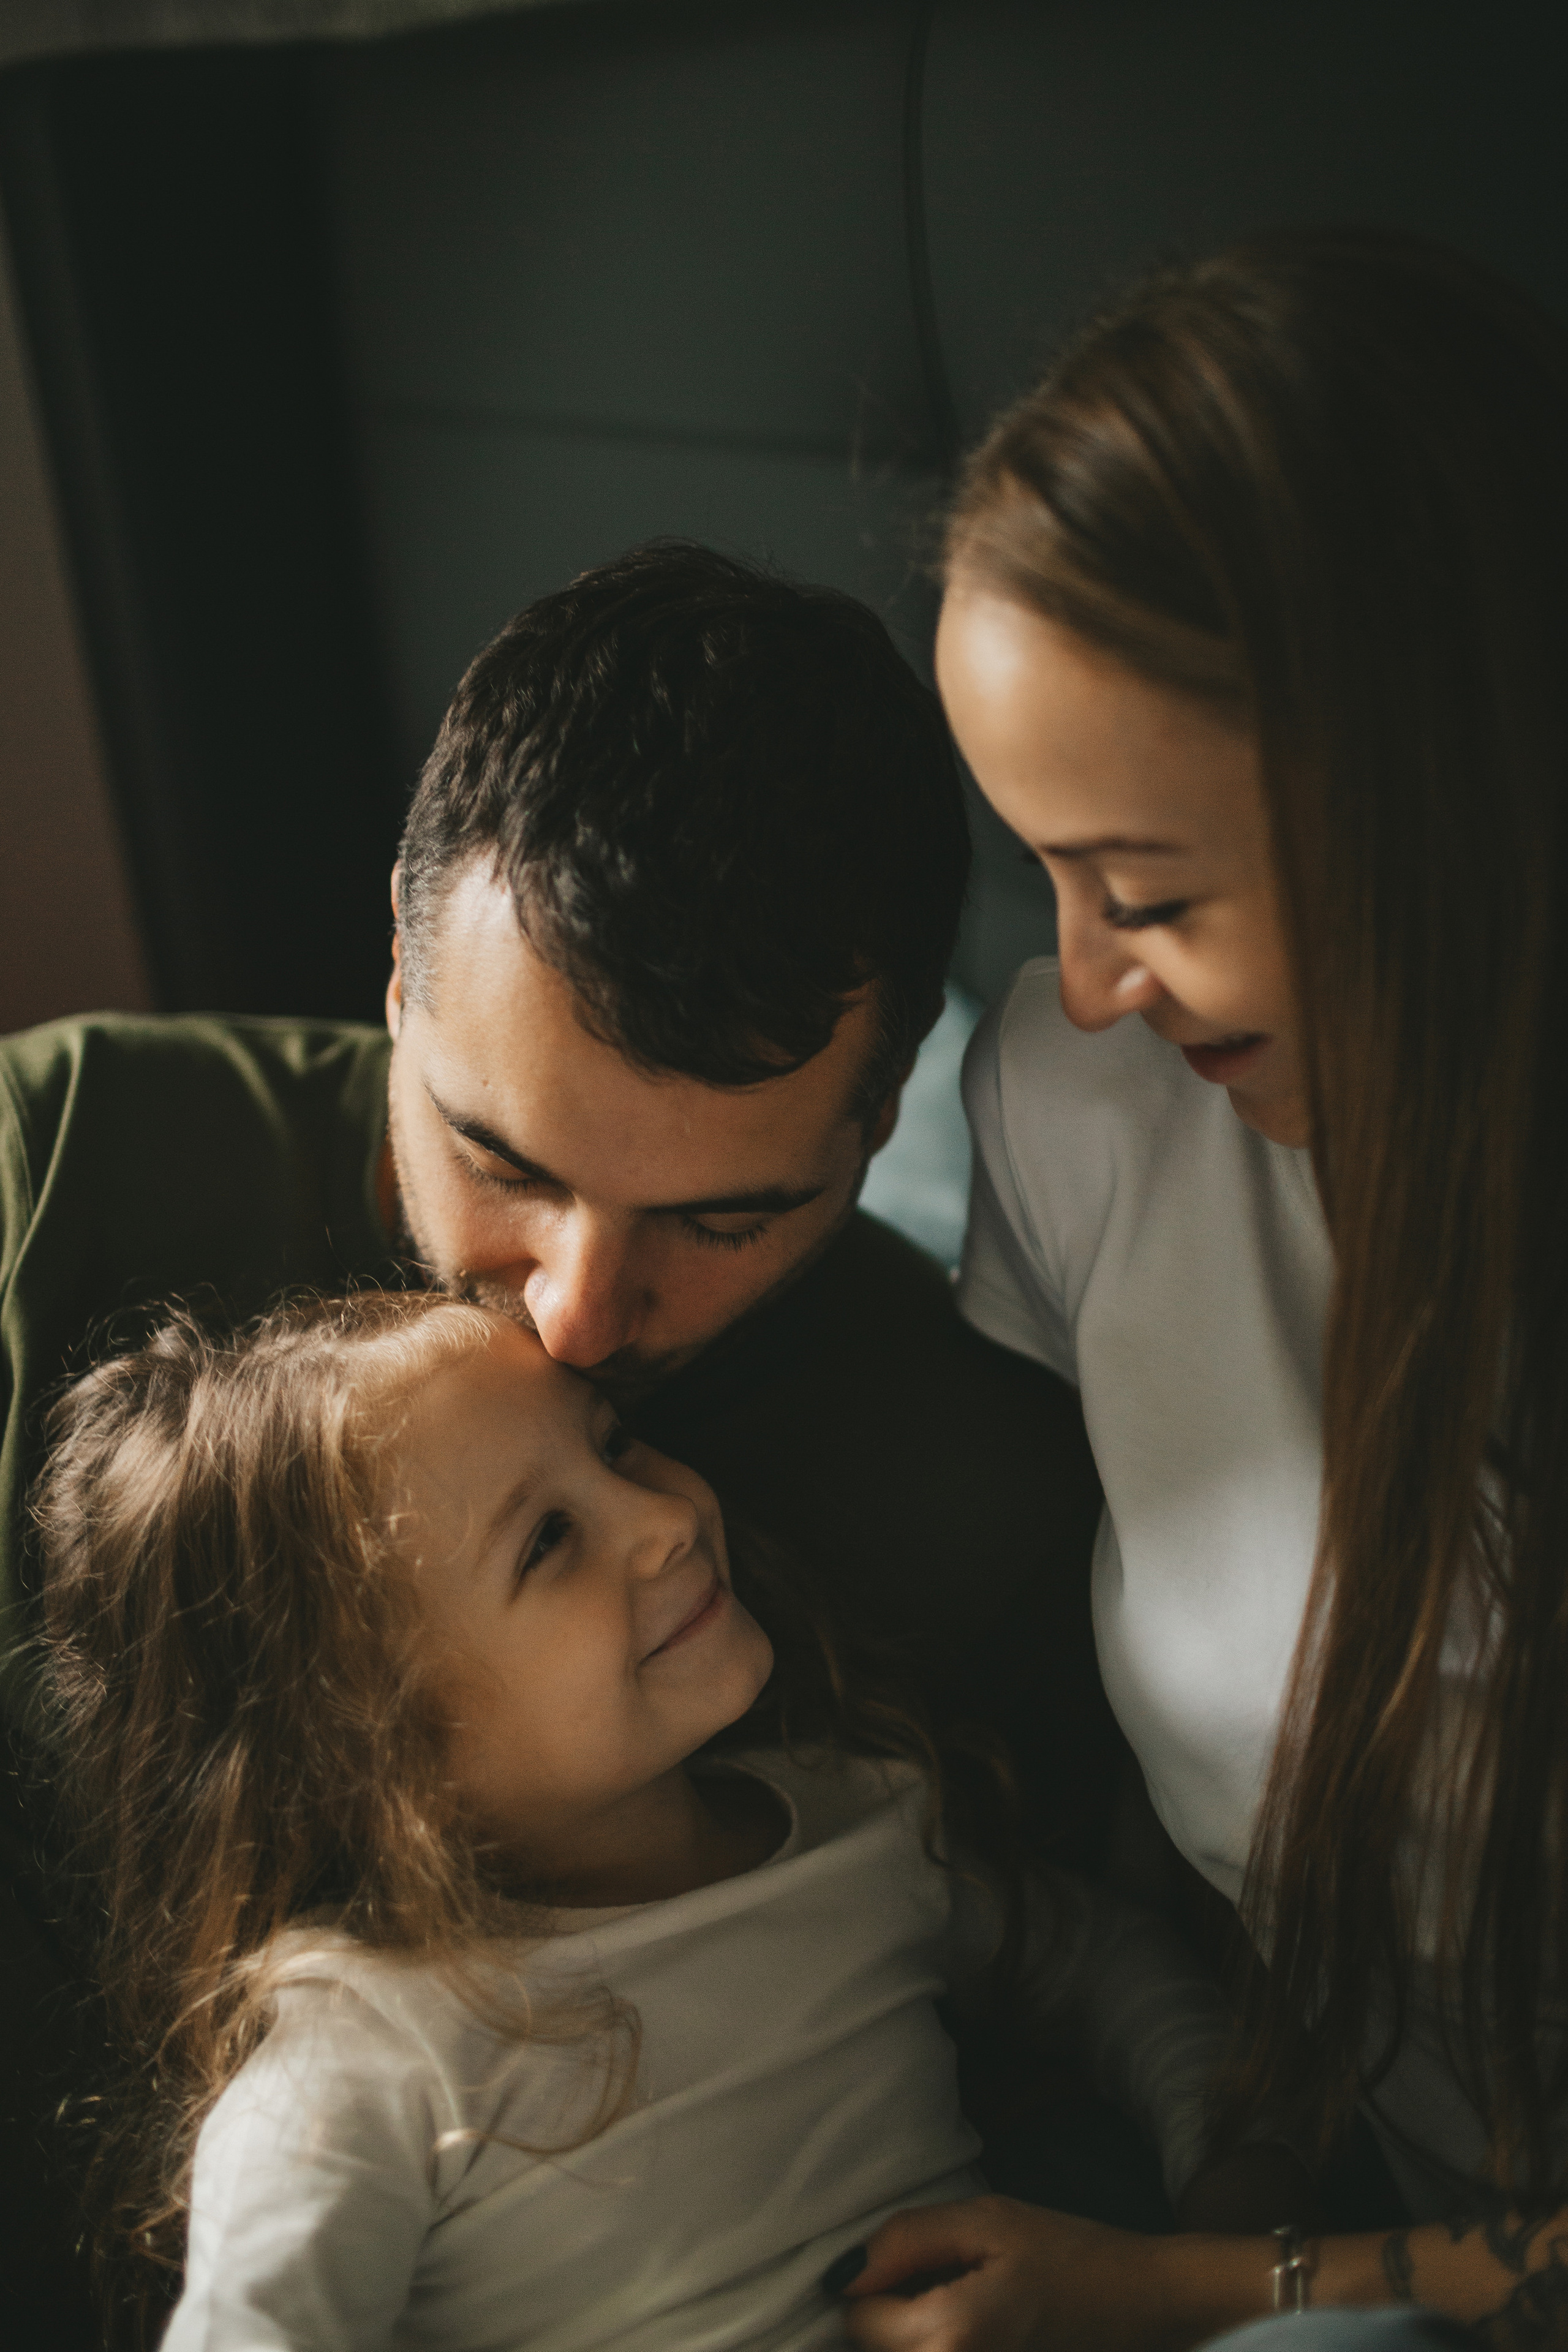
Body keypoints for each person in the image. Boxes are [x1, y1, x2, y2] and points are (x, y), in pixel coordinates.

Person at [0, 543, 1113, 2339]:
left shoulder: (961, 1488)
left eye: (723, 1217)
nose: (579, 1321)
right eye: (504, 1163)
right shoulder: (51, 1176)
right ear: (396, 969)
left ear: (879, 1115)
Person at [818, 230, 1568, 2348]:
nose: (1071, 983)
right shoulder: (1083, 1105)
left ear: (1437, 812)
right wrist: (1245, 2133)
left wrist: (1198, 2283)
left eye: (1144, 893)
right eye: (1035, 873)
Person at [34, 1290, 1223, 2350]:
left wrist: (1224, 2180)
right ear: (378, 1755)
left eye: (613, 1444)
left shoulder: (860, 1823)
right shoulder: (369, 2047)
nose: (662, 1517)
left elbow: (1092, 1959)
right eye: (547, 1540)